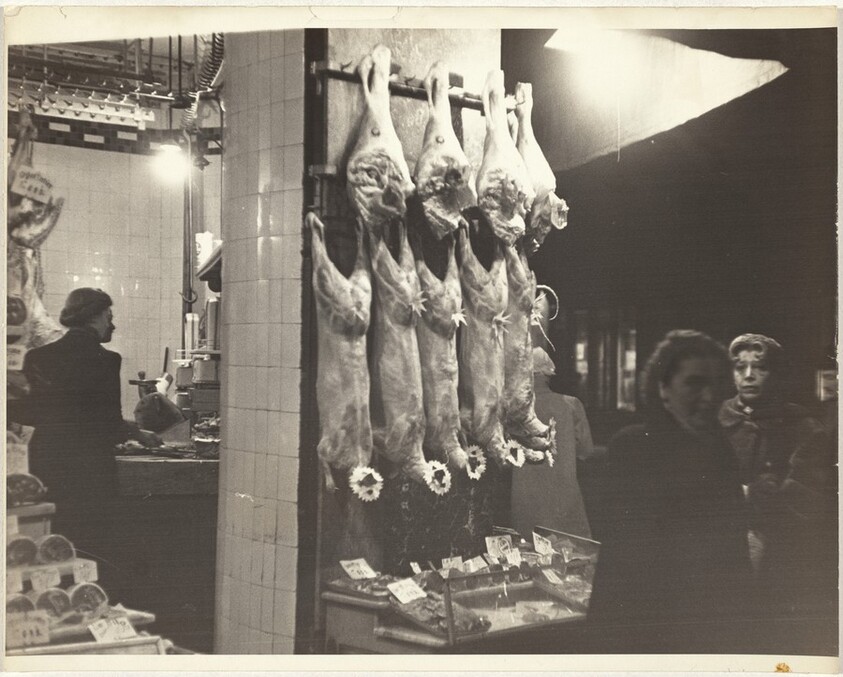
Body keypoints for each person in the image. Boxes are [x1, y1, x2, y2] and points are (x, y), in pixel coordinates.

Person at [588, 330, 753, 653]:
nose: (708, 397)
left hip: (712, 632)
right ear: (663, 388)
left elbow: (735, 556)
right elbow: (623, 565)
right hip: (648, 630)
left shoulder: (722, 452)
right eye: (694, 384)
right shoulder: (633, 448)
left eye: (715, 385)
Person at [12, 288, 159, 600]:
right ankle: (86, 603)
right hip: (90, 468)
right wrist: (139, 434)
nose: (112, 324)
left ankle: (46, 602)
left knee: (47, 542)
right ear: (99, 315)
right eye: (110, 316)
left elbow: (22, 411)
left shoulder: (38, 357)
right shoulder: (106, 360)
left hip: (46, 462)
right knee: (90, 544)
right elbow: (109, 423)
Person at [718, 333, 835, 623]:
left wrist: (752, 496)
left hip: (778, 552)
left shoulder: (803, 426)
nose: (748, 376)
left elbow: (806, 499)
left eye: (760, 367)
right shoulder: (715, 420)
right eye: (739, 367)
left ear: (776, 373)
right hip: (717, 548)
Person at [511, 347, 594, 539]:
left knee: (525, 558)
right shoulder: (571, 405)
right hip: (563, 499)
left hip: (526, 502)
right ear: (549, 374)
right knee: (571, 558)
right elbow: (586, 451)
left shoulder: (513, 410)